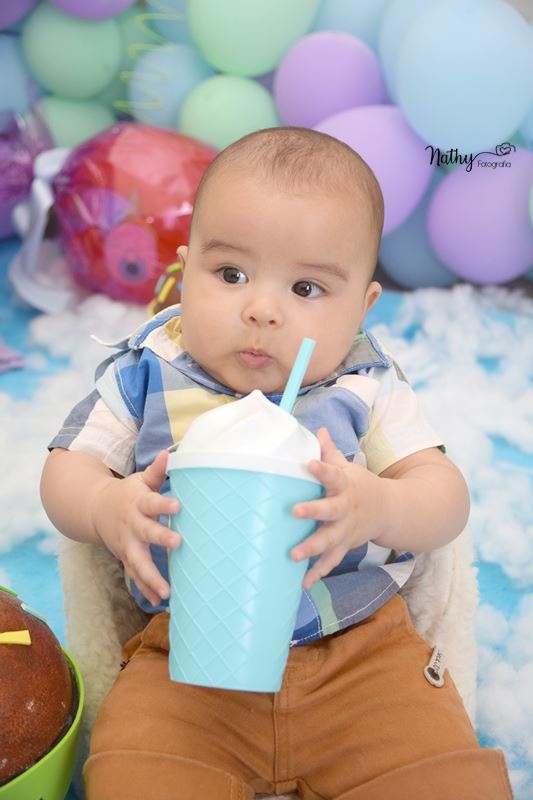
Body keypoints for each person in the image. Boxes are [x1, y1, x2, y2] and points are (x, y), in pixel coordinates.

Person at [40, 127, 513, 800]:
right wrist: (103, 505)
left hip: (359, 654)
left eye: (307, 287)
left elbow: (445, 497)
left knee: (441, 778)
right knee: (132, 771)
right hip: (187, 659)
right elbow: (67, 468)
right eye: (230, 275)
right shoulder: (150, 371)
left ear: (361, 308)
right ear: (184, 272)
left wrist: (379, 504)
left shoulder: (364, 387)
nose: (261, 310)